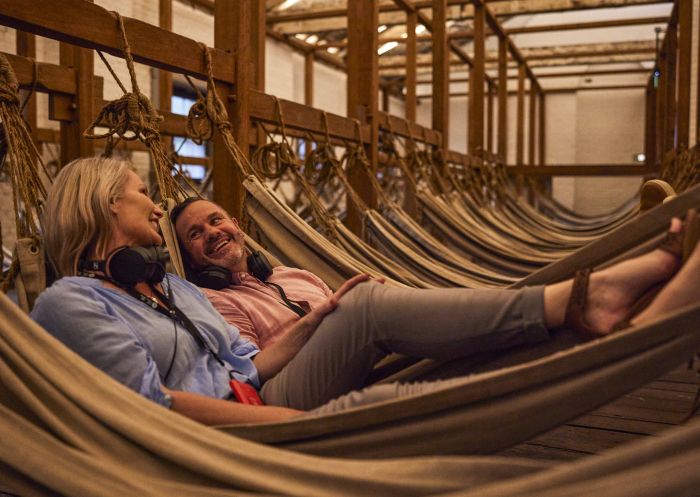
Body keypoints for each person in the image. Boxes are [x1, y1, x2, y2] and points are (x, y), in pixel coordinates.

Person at [31, 157, 699, 425]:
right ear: (98, 206)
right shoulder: (70, 303)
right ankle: (607, 326)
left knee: (364, 303)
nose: (155, 209)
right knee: (379, 404)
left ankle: (584, 306)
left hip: (256, 392)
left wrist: (322, 314)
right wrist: (296, 425)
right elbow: (155, 410)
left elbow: (245, 364)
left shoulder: (167, 284)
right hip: (221, 435)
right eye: (143, 194)